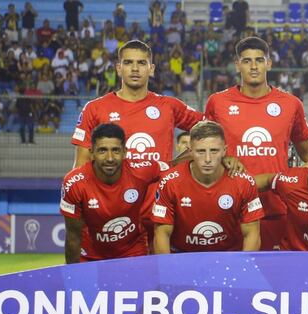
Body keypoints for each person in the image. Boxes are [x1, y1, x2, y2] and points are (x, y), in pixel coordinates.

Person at [204, 36, 308, 251]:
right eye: (246, 61)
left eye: (259, 60)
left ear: (268, 63)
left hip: (277, 209)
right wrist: (222, 158)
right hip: (229, 207)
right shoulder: (218, 102)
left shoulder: (291, 104)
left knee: (276, 280)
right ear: (237, 65)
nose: (253, 67)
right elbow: (203, 150)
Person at [72, 40, 203, 168]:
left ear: (151, 69)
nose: (135, 69)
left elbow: (211, 126)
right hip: (112, 190)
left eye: (141, 63)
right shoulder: (94, 108)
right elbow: (81, 168)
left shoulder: (169, 106)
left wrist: (175, 164)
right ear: (119, 68)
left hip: (158, 189)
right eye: (128, 63)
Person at [60, 123, 167, 263]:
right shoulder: (74, 183)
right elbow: (73, 237)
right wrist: (71, 275)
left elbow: (172, 170)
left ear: (125, 152)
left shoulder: (142, 170)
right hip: (89, 256)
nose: (110, 158)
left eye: (116, 150)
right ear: (91, 152)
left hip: (133, 253)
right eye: (102, 150)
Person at [152, 121, 264, 253]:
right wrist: (168, 271)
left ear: (224, 151)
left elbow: (252, 233)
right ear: (190, 152)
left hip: (229, 256)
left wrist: (244, 267)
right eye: (200, 151)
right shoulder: (169, 182)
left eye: (214, 150)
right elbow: (162, 234)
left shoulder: (244, 182)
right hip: (183, 256)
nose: (208, 159)